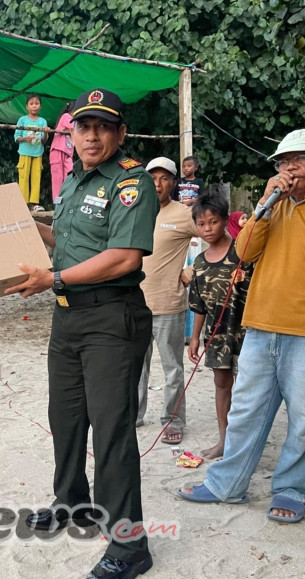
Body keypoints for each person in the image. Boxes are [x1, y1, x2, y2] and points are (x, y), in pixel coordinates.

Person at [6, 88, 159, 579]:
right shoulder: (71, 182)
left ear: (119, 134)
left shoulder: (132, 182)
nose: (91, 135)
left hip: (112, 319)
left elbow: (124, 257)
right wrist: (29, 225)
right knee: (66, 418)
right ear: (71, 133)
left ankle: (129, 545)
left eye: (102, 127)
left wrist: (54, 279)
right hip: (68, 319)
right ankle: (73, 502)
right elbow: (69, 242)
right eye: (83, 126)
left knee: (111, 431)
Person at [178, 129, 305, 524]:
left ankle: (291, 488)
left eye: (298, 160)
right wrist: (264, 202)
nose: (287, 168)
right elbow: (243, 252)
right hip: (260, 326)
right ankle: (228, 484)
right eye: (281, 162)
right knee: (245, 409)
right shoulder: (273, 205)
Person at [136, 157, 200, 443]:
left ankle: (173, 421)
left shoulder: (184, 214)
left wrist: (191, 271)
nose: (158, 184)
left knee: (172, 368)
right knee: (135, 366)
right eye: (152, 178)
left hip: (169, 305)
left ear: (174, 183)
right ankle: (134, 415)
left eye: (164, 178)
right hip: (135, 304)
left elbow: (220, 240)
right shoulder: (135, 211)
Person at [187, 192, 253, 459]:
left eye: (213, 222)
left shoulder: (244, 253)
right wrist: (194, 338)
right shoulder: (200, 264)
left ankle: (244, 443)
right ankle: (224, 440)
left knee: (249, 388)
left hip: (247, 333)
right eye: (201, 224)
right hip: (216, 335)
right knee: (221, 384)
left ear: (225, 220)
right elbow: (198, 306)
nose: (207, 229)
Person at [14, 93, 49, 210]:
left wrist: (46, 132)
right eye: (31, 103)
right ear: (27, 107)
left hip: (37, 153)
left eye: (37, 103)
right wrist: (25, 139)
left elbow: (44, 141)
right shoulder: (22, 120)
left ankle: (34, 204)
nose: (34, 106)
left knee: (36, 177)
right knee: (23, 178)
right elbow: (16, 137)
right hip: (24, 152)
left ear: (40, 106)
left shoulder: (43, 121)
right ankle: (23, 204)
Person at [49, 101, 74, 201]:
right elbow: (76, 128)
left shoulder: (74, 120)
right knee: (57, 177)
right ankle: (57, 201)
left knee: (70, 174)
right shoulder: (66, 116)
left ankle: (67, 198)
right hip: (58, 150)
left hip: (68, 152)